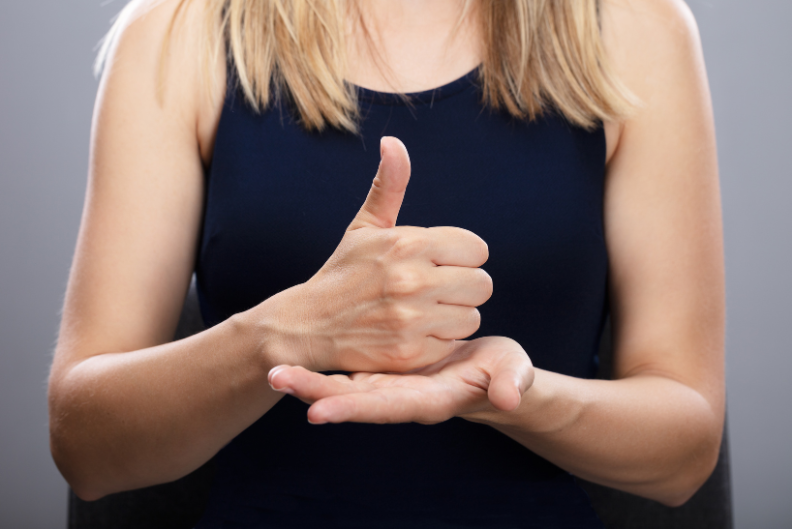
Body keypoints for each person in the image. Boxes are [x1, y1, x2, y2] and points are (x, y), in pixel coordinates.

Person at [48, 0, 725, 527]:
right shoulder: (177, 31)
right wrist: (282, 334)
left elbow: (684, 454)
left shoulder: (638, 29)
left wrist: (514, 395)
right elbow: (86, 447)